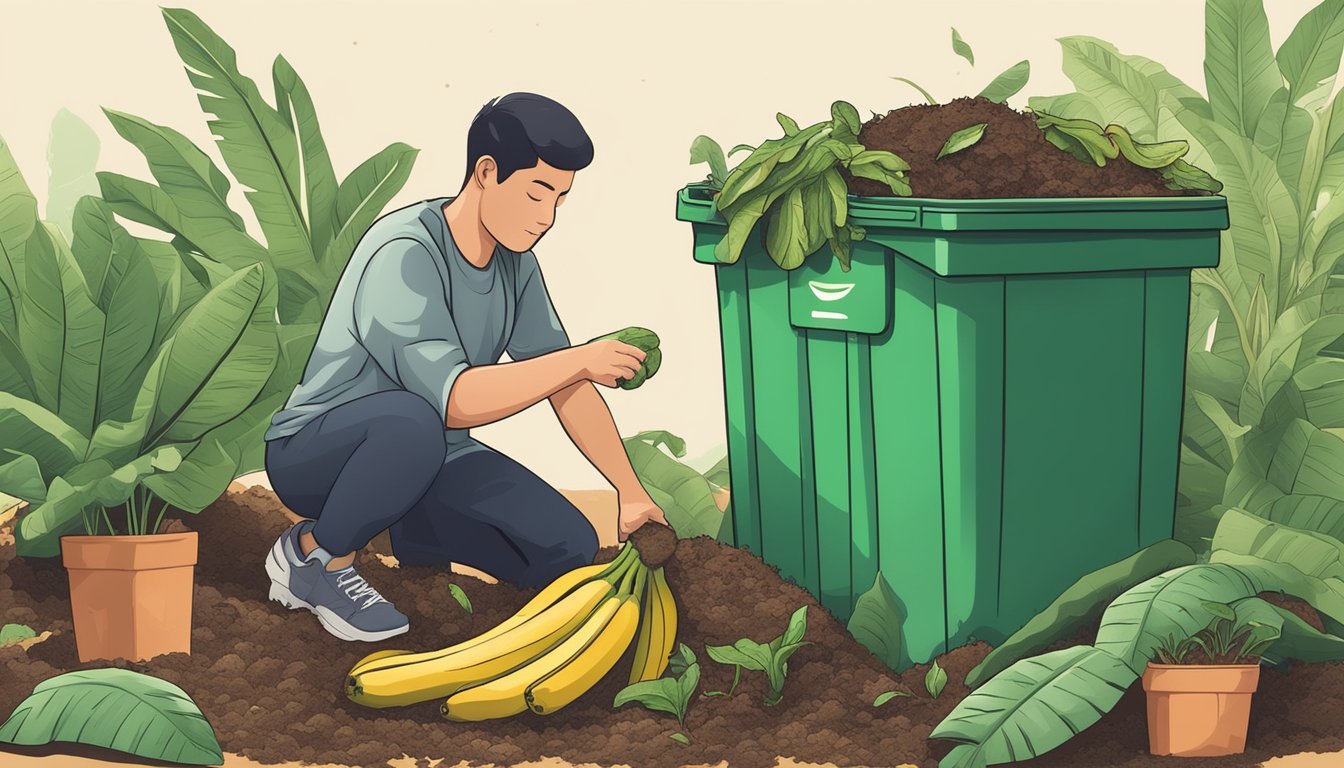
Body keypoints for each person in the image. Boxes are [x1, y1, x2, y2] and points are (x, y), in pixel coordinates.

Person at [261, 92, 669, 642]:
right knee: (413, 422)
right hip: (319, 455)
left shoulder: (515, 264)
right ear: (486, 172)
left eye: (561, 200)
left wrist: (629, 492)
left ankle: (414, 548)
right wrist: (581, 358)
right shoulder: (405, 251)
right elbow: (454, 401)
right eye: (536, 193)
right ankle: (314, 559)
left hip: (430, 460)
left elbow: (566, 382)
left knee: (565, 545)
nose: (546, 218)